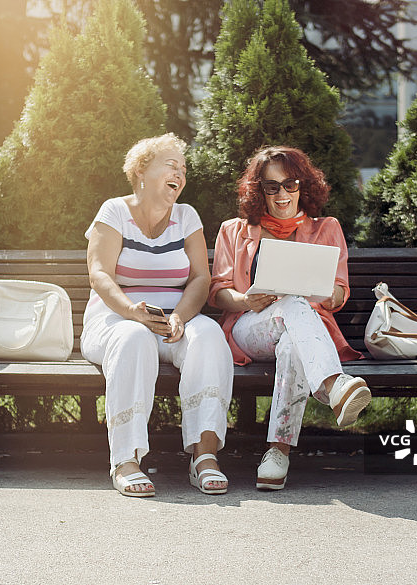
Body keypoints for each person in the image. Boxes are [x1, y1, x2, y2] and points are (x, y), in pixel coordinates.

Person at [208, 145, 371, 491]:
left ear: (303, 187)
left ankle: (276, 454)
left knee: (292, 341)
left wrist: (324, 291)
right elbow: (218, 291)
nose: (282, 194)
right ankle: (333, 386)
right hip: (249, 329)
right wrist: (245, 300)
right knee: (293, 306)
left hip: (297, 332)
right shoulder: (233, 231)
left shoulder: (327, 228)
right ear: (259, 191)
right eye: (271, 186)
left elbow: (340, 292)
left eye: (290, 184)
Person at [81, 133, 233, 497]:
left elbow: (200, 277)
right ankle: (126, 460)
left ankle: (204, 456)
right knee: (133, 338)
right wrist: (131, 311)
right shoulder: (113, 211)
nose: (180, 174)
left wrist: (181, 315)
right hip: (115, 320)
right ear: (141, 170)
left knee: (209, 335)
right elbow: (99, 273)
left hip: (170, 322)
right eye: (171, 165)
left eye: (183, 169)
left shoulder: (187, 217)